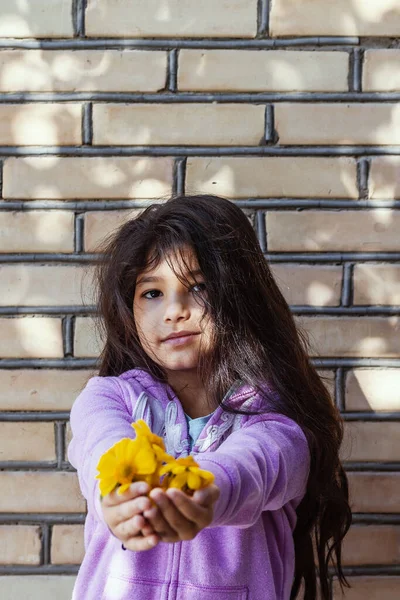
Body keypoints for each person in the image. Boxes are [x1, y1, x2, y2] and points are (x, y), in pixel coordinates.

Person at [68, 194, 351, 600]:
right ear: (128, 310)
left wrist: (204, 493)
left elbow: (252, 467)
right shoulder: (108, 399)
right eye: (152, 292)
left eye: (198, 287)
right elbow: (102, 448)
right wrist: (119, 495)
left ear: (238, 294)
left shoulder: (277, 421)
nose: (174, 310)